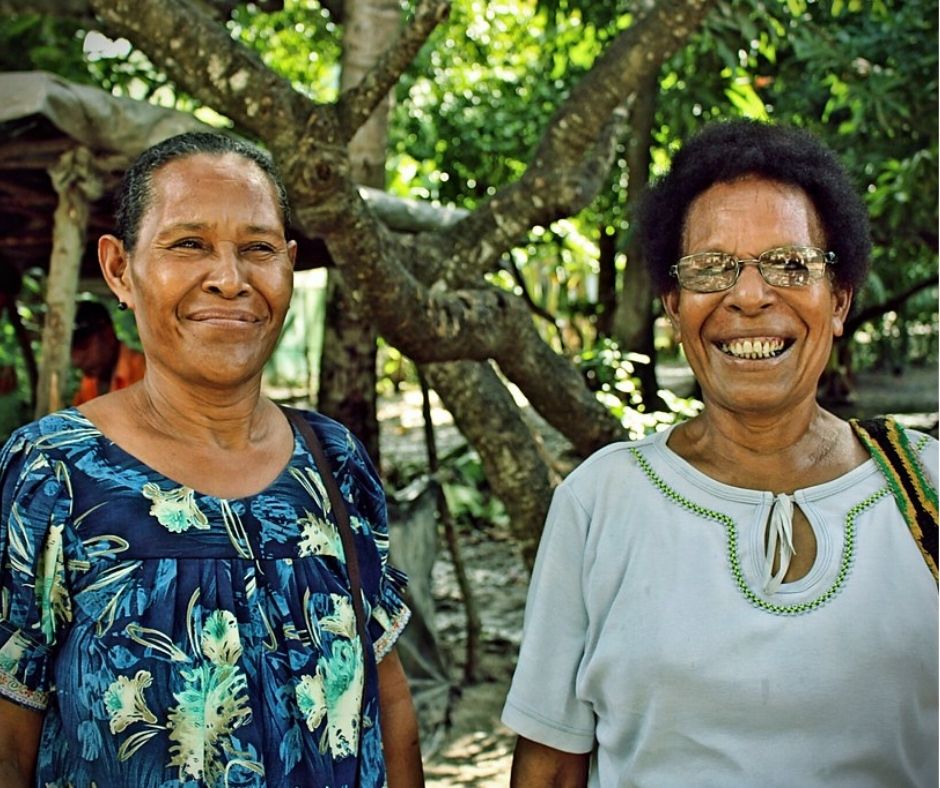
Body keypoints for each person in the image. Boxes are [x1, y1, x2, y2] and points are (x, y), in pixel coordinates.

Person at [502, 119, 938, 787]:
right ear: (674, 308)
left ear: (840, 299)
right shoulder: (600, 503)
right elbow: (552, 770)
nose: (750, 295)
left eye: (790, 264)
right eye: (712, 268)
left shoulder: (926, 490)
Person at [0, 132, 423, 787]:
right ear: (119, 270)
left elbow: (389, 698)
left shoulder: (332, 461)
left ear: (286, 264)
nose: (230, 280)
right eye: (188, 244)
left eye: (257, 249)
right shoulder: (52, 476)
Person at [71, 299, 146, 404]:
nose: (77, 360)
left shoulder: (145, 373)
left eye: (83, 346)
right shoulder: (88, 382)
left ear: (107, 335)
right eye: (72, 350)